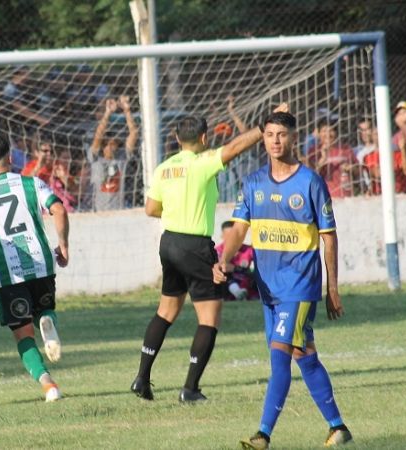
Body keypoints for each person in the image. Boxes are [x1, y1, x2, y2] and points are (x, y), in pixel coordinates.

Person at [130, 103, 288, 403]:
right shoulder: (203, 162)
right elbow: (234, 148)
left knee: (166, 311)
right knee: (209, 317)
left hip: (169, 242)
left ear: (177, 139)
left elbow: (151, 209)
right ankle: (190, 388)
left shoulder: (164, 168)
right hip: (195, 245)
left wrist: (175, 209)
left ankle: (142, 377)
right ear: (204, 138)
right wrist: (263, 126)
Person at [214, 111, 352, 449]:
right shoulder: (253, 183)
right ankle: (338, 427)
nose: (276, 141)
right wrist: (225, 259)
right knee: (304, 355)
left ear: (294, 137)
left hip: (300, 286)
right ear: (263, 138)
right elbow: (239, 228)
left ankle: (263, 435)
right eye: (270, 134)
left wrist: (332, 288)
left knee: (279, 356)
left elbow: (329, 237)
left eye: (282, 134)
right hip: (268, 288)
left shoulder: (310, 182)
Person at [0, 135, 69, 402]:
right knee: (45, 309)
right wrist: (63, 245)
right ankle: (46, 318)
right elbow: (59, 210)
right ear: (10, 159)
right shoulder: (32, 183)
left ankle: (48, 385)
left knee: (23, 334)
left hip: (8, 273)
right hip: (41, 265)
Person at [89, 95, 139, 211]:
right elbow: (98, 136)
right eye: (107, 144)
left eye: (113, 144)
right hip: (98, 211)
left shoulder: (122, 157)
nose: (110, 147)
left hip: (118, 210)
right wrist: (107, 113)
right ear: (103, 146)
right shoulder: (95, 158)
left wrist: (127, 110)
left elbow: (134, 133)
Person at [305, 120, 358, 198]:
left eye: (331, 130)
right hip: (323, 197)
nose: (328, 134)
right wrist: (322, 159)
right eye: (324, 131)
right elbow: (309, 177)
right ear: (318, 134)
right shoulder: (313, 151)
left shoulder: (346, 149)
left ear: (336, 133)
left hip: (346, 197)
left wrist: (351, 168)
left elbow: (358, 172)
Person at [215, 221, 256, 301]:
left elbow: (260, 269)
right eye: (228, 236)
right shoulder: (217, 251)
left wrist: (235, 268)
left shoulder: (248, 250)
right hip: (225, 287)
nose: (232, 240)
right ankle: (236, 293)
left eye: (234, 236)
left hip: (246, 285)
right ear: (222, 236)